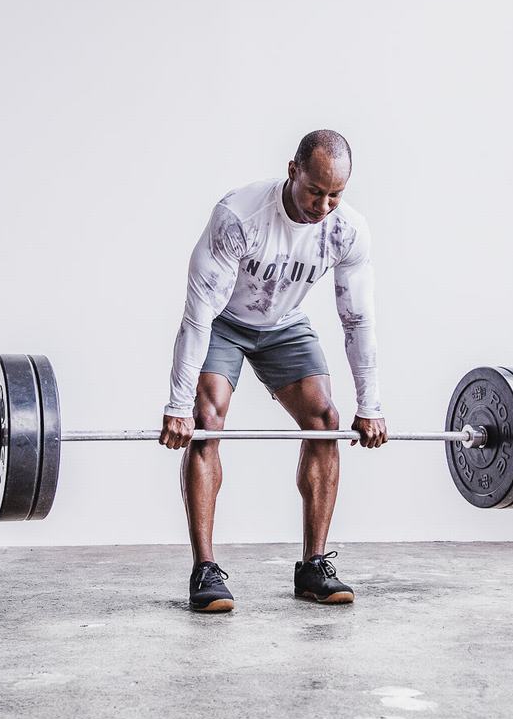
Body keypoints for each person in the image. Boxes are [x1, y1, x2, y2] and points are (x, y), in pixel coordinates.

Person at [159, 129, 387, 612]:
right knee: (206, 424)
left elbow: (357, 319)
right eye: (315, 191)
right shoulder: (239, 218)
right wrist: (177, 407)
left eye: (335, 195)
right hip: (223, 320)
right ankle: (205, 570)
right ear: (293, 171)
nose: (324, 205)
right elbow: (198, 315)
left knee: (325, 420)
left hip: (284, 326)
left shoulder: (346, 230)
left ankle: (313, 565)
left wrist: (371, 406)